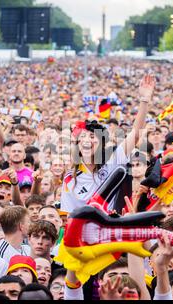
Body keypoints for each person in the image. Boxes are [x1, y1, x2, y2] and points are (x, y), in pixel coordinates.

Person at [61, 74, 155, 215]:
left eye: (92, 137)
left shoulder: (113, 160)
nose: (87, 140)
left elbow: (135, 134)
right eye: (83, 137)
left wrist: (144, 100)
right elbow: (67, 216)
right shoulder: (70, 178)